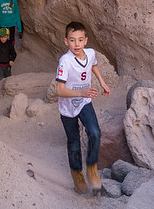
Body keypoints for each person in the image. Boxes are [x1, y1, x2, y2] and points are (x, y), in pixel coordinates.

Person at [55, 21, 110, 194]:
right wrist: (82, 93)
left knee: (95, 132)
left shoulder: (91, 53)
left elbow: (92, 64)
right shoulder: (65, 61)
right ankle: (77, 173)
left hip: (84, 102)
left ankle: (92, 168)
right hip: (68, 107)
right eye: (72, 40)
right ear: (66, 41)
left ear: (86, 40)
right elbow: (60, 90)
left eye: (80, 40)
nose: (76, 44)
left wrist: (101, 81)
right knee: (74, 143)